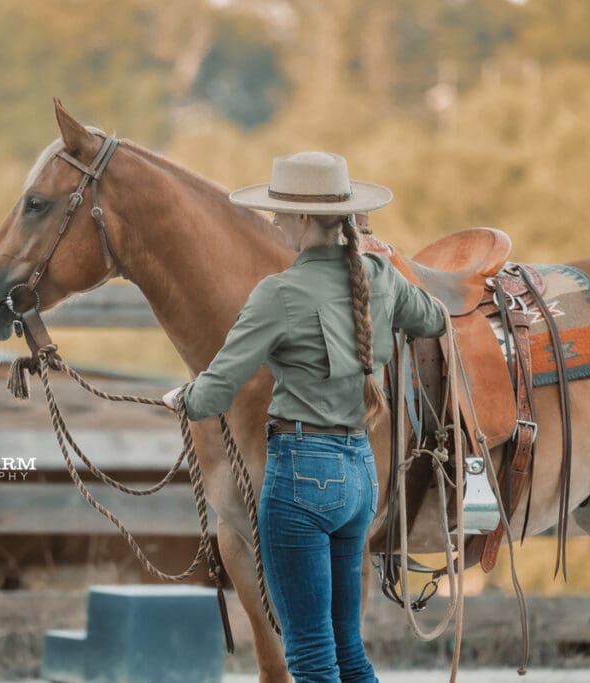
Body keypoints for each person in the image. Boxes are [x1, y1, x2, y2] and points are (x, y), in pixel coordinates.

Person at [162, 151, 446, 683]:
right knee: (348, 653)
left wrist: (183, 399)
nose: (272, 223)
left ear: (302, 220)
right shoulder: (378, 276)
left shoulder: (279, 293)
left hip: (300, 479)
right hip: (359, 473)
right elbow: (432, 317)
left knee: (311, 658)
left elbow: (217, 387)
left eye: (279, 213)